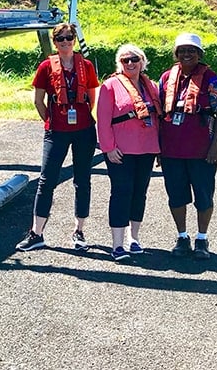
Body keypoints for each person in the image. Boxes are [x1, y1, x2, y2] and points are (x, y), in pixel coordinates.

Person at [16, 23, 100, 252]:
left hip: (84, 131)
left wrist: (79, 116)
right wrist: (51, 122)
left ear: (74, 39)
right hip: (57, 132)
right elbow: (38, 101)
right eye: (60, 38)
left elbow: (92, 99)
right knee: (46, 180)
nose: (65, 42)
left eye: (69, 37)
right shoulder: (45, 67)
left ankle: (79, 231)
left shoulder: (87, 66)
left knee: (82, 180)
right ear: (55, 42)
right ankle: (36, 233)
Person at [158, 32, 217, 259]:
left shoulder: (212, 79)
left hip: (201, 149)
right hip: (172, 149)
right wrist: (159, 148)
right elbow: (159, 112)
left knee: (204, 195)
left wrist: (215, 145)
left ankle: (202, 238)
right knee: (176, 195)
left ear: (199, 54)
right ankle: (182, 236)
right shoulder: (167, 77)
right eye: (183, 50)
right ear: (176, 54)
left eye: (192, 51)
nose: (187, 54)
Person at [96, 44, 161, 261]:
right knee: (121, 192)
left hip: (147, 148)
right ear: (119, 64)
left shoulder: (151, 86)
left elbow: (159, 118)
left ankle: (134, 238)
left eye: (134, 59)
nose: (130, 63)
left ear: (142, 61)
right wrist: (108, 147)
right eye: (125, 60)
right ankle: (117, 244)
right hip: (120, 150)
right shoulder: (110, 86)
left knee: (139, 193)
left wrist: (160, 148)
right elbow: (102, 120)